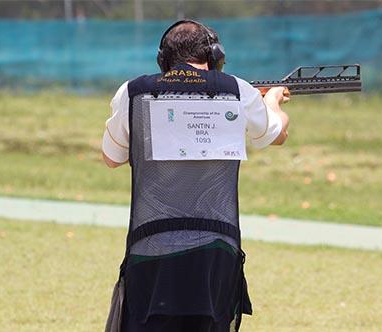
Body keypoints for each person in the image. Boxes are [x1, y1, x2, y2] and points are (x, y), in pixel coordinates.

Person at [101, 19, 289, 332]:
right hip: (216, 253)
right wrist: (272, 102)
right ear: (215, 55)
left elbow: (111, 158)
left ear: (163, 59)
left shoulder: (133, 92)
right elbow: (276, 134)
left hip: (150, 250)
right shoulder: (237, 90)